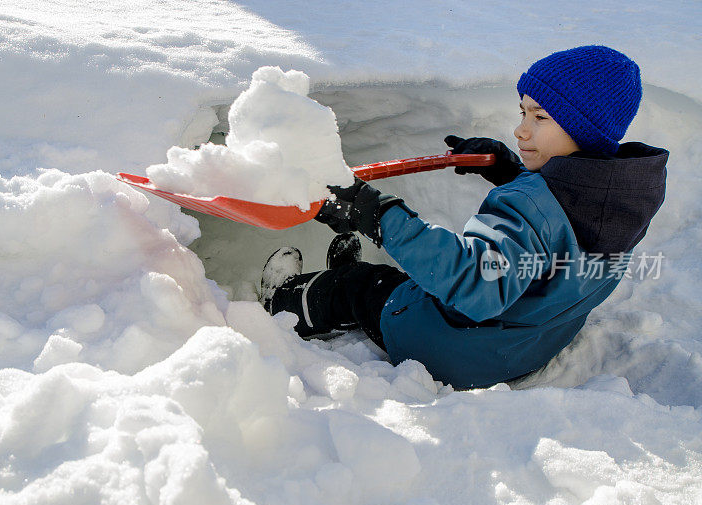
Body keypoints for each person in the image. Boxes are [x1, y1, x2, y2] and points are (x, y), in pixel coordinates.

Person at [259, 45, 669, 389]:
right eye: (523, 112)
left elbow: (476, 283)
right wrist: (511, 172)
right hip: (526, 343)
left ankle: (284, 304)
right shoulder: (623, 200)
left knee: (360, 286)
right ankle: (358, 296)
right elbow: (558, 243)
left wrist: (376, 214)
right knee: (395, 286)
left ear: (587, 131)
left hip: (455, 350)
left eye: (541, 117)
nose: (521, 131)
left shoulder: (529, 205)